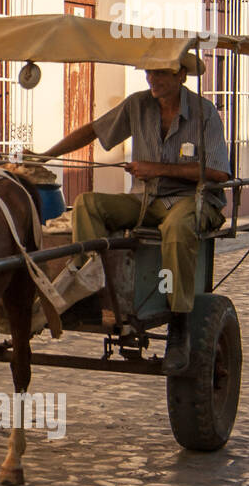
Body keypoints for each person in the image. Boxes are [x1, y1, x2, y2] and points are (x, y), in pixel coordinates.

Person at [39, 53, 229, 372]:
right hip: (146, 201)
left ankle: (179, 325)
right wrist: (46, 155)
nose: (152, 78)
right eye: (149, 72)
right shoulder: (138, 105)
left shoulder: (204, 112)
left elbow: (219, 173)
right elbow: (94, 131)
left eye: (161, 73)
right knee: (88, 204)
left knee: (177, 228)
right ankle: (92, 290)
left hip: (195, 200)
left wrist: (158, 168)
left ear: (182, 75)